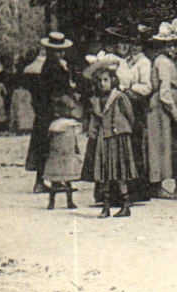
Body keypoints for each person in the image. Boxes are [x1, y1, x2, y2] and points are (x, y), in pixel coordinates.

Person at [82, 57, 136, 218]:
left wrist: (123, 128)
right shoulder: (96, 101)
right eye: (99, 81)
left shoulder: (119, 97)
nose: (102, 83)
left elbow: (130, 115)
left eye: (106, 80)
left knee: (120, 172)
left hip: (117, 138)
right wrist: (92, 133)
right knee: (104, 172)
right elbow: (94, 119)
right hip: (103, 139)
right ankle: (105, 206)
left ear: (113, 80)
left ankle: (126, 204)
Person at [146, 19, 177, 200]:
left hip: (170, 100)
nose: (174, 49)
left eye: (176, 45)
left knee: (171, 144)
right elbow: (164, 91)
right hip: (163, 105)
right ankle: (158, 186)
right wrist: (175, 112)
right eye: (169, 45)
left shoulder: (168, 61)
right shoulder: (163, 62)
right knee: (160, 143)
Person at [25, 32, 74, 192]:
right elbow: (56, 91)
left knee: (46, 145)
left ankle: (49, 180)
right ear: (50, 51)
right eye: (57, 51)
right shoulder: (54, 67)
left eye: (61, 50)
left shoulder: (51, 65)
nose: (61, 53)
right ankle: (47, 181)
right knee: (52, 145)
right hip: (52, 110)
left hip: (46, 110)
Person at [112, 25, 154, 199]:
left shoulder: (144, 63)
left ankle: (137, 191)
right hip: (122, 104)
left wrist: (128, 89)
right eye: (131, 43)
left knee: (134, 146)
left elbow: (146, 87)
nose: (133, 47)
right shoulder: (127, 60)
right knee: (120, 146)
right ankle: (118, 190)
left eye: (137, 44)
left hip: (135, 105)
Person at [42, 96, 82, 211]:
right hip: (66, 154)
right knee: (67, 180)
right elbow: (74, 138)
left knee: (56, 181)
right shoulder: (71, 124)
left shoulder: (54, 125)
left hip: (57, 154)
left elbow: (49, 138)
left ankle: (53, 202)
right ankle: (68, 201)